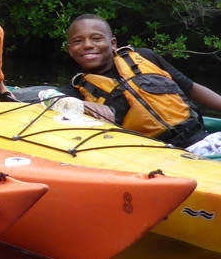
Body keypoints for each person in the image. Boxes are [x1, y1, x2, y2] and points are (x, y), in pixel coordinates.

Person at [65, 14, 221, 154]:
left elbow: (190, 87)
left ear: (113, 44)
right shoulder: (76, 91)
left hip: (202, 140)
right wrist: (80, 104)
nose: (87, 45)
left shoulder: (145, 56)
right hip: (157, 155)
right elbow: (49, 97)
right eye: (78, 41)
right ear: (70, 50)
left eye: (96, 39)